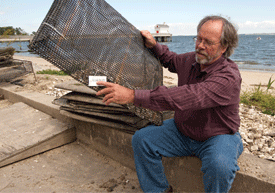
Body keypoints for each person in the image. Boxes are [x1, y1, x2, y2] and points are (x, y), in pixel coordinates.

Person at [96, 15, 243, 193]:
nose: (200, 45)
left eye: (208, 42)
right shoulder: (191, 59)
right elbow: (171, 60)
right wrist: (154, 45)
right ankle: (159, 190)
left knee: (220, 166)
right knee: (142, 140)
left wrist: (133, 96)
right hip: (183, 131)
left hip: (218, 136)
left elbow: (187, 97)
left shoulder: (228, 77)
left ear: (224, 47)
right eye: (199, 38)